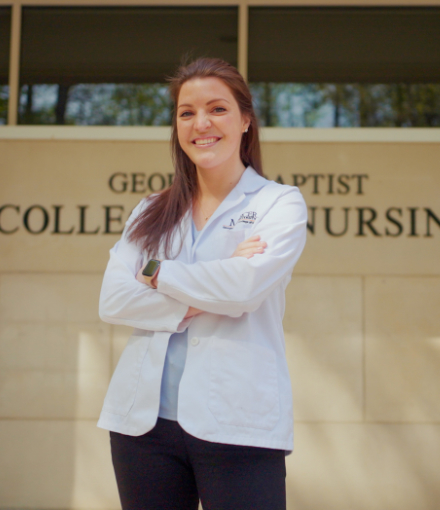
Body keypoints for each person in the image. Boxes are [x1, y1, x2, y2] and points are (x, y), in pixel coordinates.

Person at [97, 57, 307, 510]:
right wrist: (213, 282)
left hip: (239, 424)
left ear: (246, 120)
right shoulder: (150, 209)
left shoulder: (280, 204)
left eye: (218, 109)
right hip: (143, 428)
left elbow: (243, 291)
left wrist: (156, 275)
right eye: (186, 112)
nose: (201, 123)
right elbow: (113, 300)